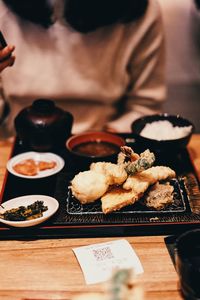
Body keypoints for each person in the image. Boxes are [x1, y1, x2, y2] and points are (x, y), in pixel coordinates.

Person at [0, 0, 166, 138]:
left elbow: (145, 107)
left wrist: (101, 139)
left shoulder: (138, 9)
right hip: (17, 140)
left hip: (102, 139)